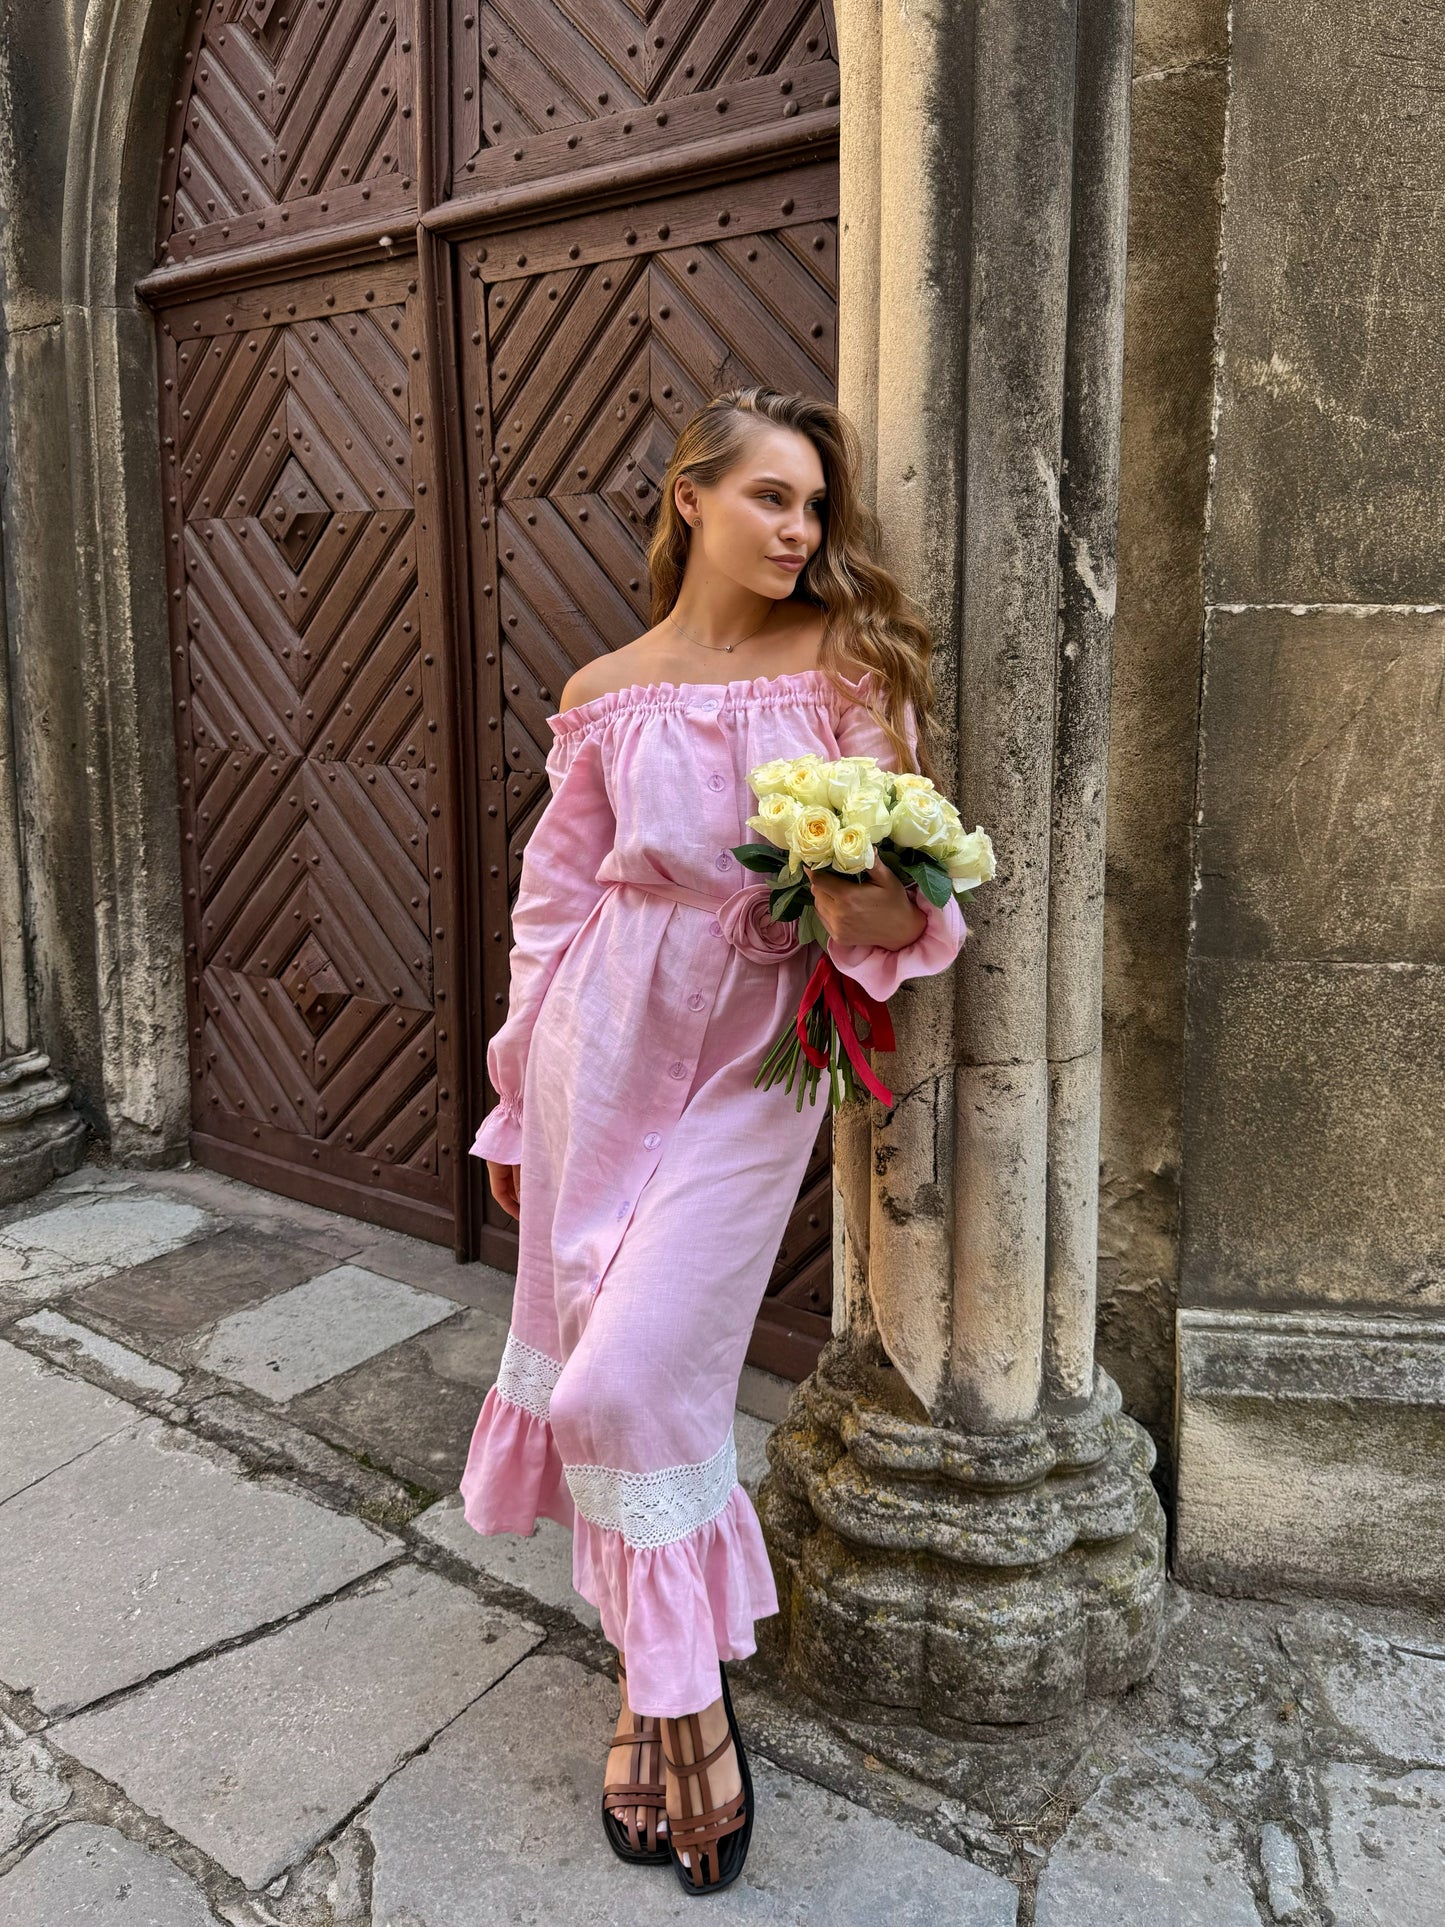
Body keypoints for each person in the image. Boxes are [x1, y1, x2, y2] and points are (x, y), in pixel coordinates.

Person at [459, 386, 967, 1894]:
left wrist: (865, 888)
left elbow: (912, 900)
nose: (800, 530)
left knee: (624, 1381)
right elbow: (551, 911)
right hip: (594, 1046)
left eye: (815, 507)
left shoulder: (849, 668)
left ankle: (676, 1703)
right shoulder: (602, 689)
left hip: (755, 1054)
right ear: (691, 499)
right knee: (612, 1387)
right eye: (771, 498)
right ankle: (660, 1702)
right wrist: (505, 1095)